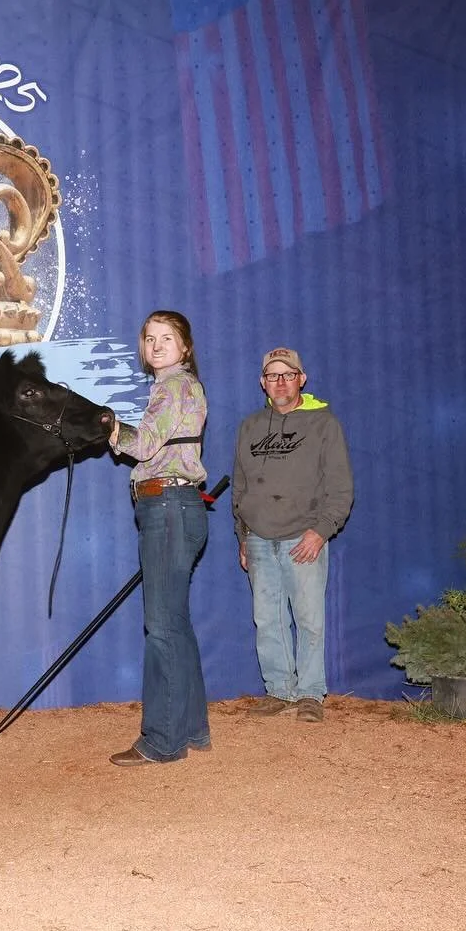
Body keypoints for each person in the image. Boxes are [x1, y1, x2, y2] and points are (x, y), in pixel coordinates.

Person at [106, 310, 211, 766]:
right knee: (176, 625)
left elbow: (146, 445)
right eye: (149, 338)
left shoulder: (172, 388)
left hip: (167, 506)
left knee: (162, 628)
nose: (156, 345)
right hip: (176, 506)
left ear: (185, 346)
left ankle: (162, 741)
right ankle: (190, 729)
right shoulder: (177, 386)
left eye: (166, 338)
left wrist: (107, 426)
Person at [233, 347, 353, 723]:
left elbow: (340, 488)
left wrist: (320, 531)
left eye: (288, 375)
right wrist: (243, 535)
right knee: (267, 619)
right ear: (262, 383)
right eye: (272, 375)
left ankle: (311, 694)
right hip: (259, 537)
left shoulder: (324, 424)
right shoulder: (250, 426)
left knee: (309, 618)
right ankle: (279, 689)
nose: (280, 382)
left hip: (304, 537)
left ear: (302, 379)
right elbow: (240, 486)